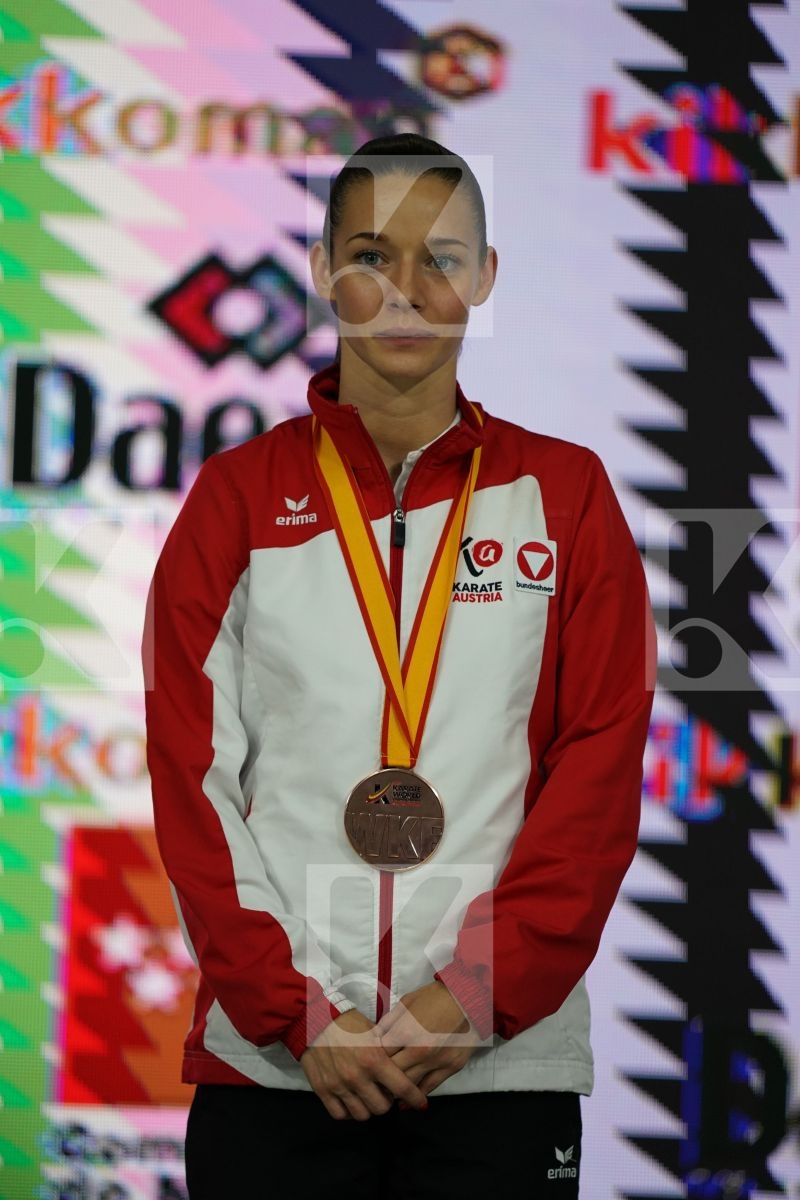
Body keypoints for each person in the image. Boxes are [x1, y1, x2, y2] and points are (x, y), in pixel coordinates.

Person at [142, 133, 655, 1199]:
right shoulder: (235, 498)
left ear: (486, 276)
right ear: (323, 271)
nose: (406, 290)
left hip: (498, 1064)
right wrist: (295, 1013)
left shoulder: (566, 495)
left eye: (442, 259)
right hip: (278, 1065)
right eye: (372, 256)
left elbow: (597, 774)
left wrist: (473, 995)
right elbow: (192, 778)